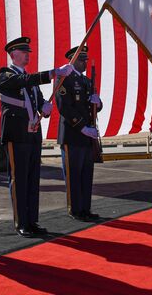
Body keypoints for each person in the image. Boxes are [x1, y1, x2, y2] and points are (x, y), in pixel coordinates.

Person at [0, 37, 73, 238]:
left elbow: (38, 101)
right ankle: (21, 222)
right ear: (13, 54)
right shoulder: (5, 75)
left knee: (32, 180)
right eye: (23, 51)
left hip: (32, 134)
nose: (27, 54)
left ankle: (32, 220)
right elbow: (20, 82)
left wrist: (45, 109)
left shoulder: (30, 80)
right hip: (16, 134)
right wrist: (52, 73)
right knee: (18, 179)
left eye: (28, 51)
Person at [55, 45, 102, 222]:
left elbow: (93, 106)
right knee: (73, 174)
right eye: (82, 59)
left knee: (86, 174)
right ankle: (75, 209)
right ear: (73, 60)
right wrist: (82, 127)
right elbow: (64, 107)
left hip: (87, 136)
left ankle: (85, 208)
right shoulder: (63, 77)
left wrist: (98, 103)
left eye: (86, 59)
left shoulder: (87, 81)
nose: (85, 62)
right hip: (72, 134)